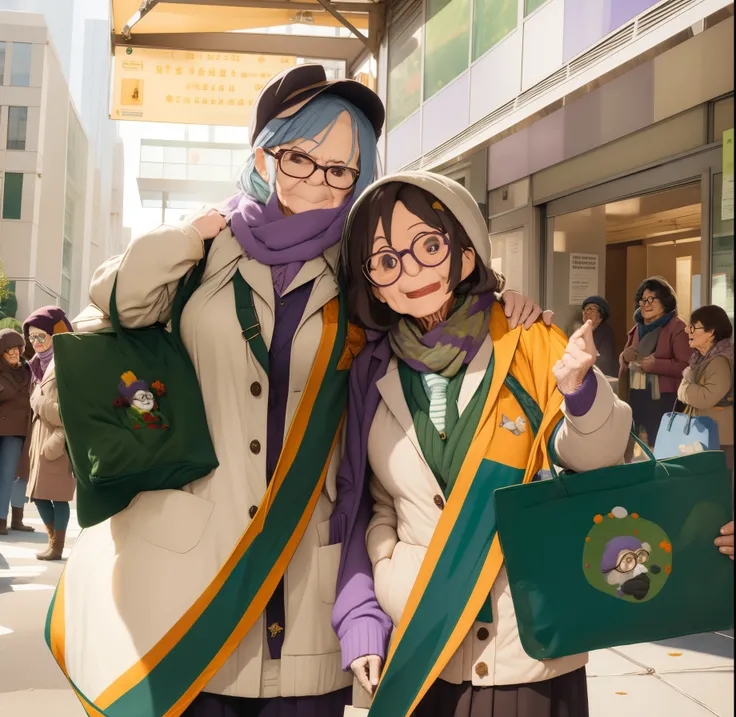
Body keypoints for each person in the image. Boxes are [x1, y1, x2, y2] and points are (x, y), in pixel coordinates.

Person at [49, 65, 547, 717]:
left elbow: (435, 297)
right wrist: (183, 238)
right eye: (301, 158)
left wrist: (498, 296)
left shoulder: (363, 268)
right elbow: (114, 303)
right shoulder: (202, 253)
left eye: (341, 169)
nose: (320, 179)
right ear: (265, 153)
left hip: (308, 566)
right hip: (193, 573)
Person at [331, 173, 635, 717]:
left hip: (529, 649)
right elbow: (376, 502)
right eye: (385, 260)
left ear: (466, 253)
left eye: (428, 245)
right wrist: (386, 573)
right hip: (425, 642)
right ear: (373, 283)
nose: (412, 271)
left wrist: (583, 395)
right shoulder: (373, 370)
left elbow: (602, 462)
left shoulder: (530, 340)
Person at [23, 307, 75, 560]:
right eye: (32, 338)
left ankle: (58, 546)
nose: (36, 342)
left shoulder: (68, 363)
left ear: (57, 333)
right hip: (39, 436)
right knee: (39, 495)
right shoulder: (36, 366)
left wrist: (37, 401)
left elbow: (68, 411)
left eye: (41, 336)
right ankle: (52, 541)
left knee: (57, 497)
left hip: (58, 438)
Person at [619, 277, 692, 448]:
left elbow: (686, 366)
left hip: (665, 399)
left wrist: (656, 365)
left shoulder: (677, 327)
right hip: (635, 395)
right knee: (635, 443)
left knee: (661, 444)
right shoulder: (638, 327)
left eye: (652, 299)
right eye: (643, 300)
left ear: (665, 301)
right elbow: (626, 360)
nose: (646, 304)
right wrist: (624, 356)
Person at [677, 305, 734, 471]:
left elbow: (706, 398)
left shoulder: (719, 361)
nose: (687, 330)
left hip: (720, 438)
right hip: (709, 434)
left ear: (711, 332)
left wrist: (684, 388)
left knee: (721, 487)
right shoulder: (702, 358)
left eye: (693, 326)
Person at [0, 328, 33, 535]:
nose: (13, 353)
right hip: (5, 430)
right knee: (6, 475)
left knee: (20, 474)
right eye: (8, 350)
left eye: (17, 348)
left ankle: (17, 519)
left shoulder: (28, 369)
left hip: (24, 429)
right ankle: (1, 520)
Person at [581, 296, 617, 378]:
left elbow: (603, 361)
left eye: (592, 309)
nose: (588, 312)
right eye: (586, 309)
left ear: (601, 314)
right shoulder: (584, 331)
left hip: (602, 378)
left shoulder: (605, 332)